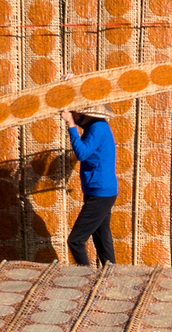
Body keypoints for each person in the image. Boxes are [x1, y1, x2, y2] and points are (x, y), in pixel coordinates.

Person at [61, 104, 118, 267]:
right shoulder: (95, 126)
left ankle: (85, 276)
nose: (74, 115)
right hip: (100, 191)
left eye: (76, 113)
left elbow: (82, 153)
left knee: (75, 241)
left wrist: (71, 124)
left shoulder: (98, 128)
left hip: (100, 193)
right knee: (102, 239)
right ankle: (112, 275)